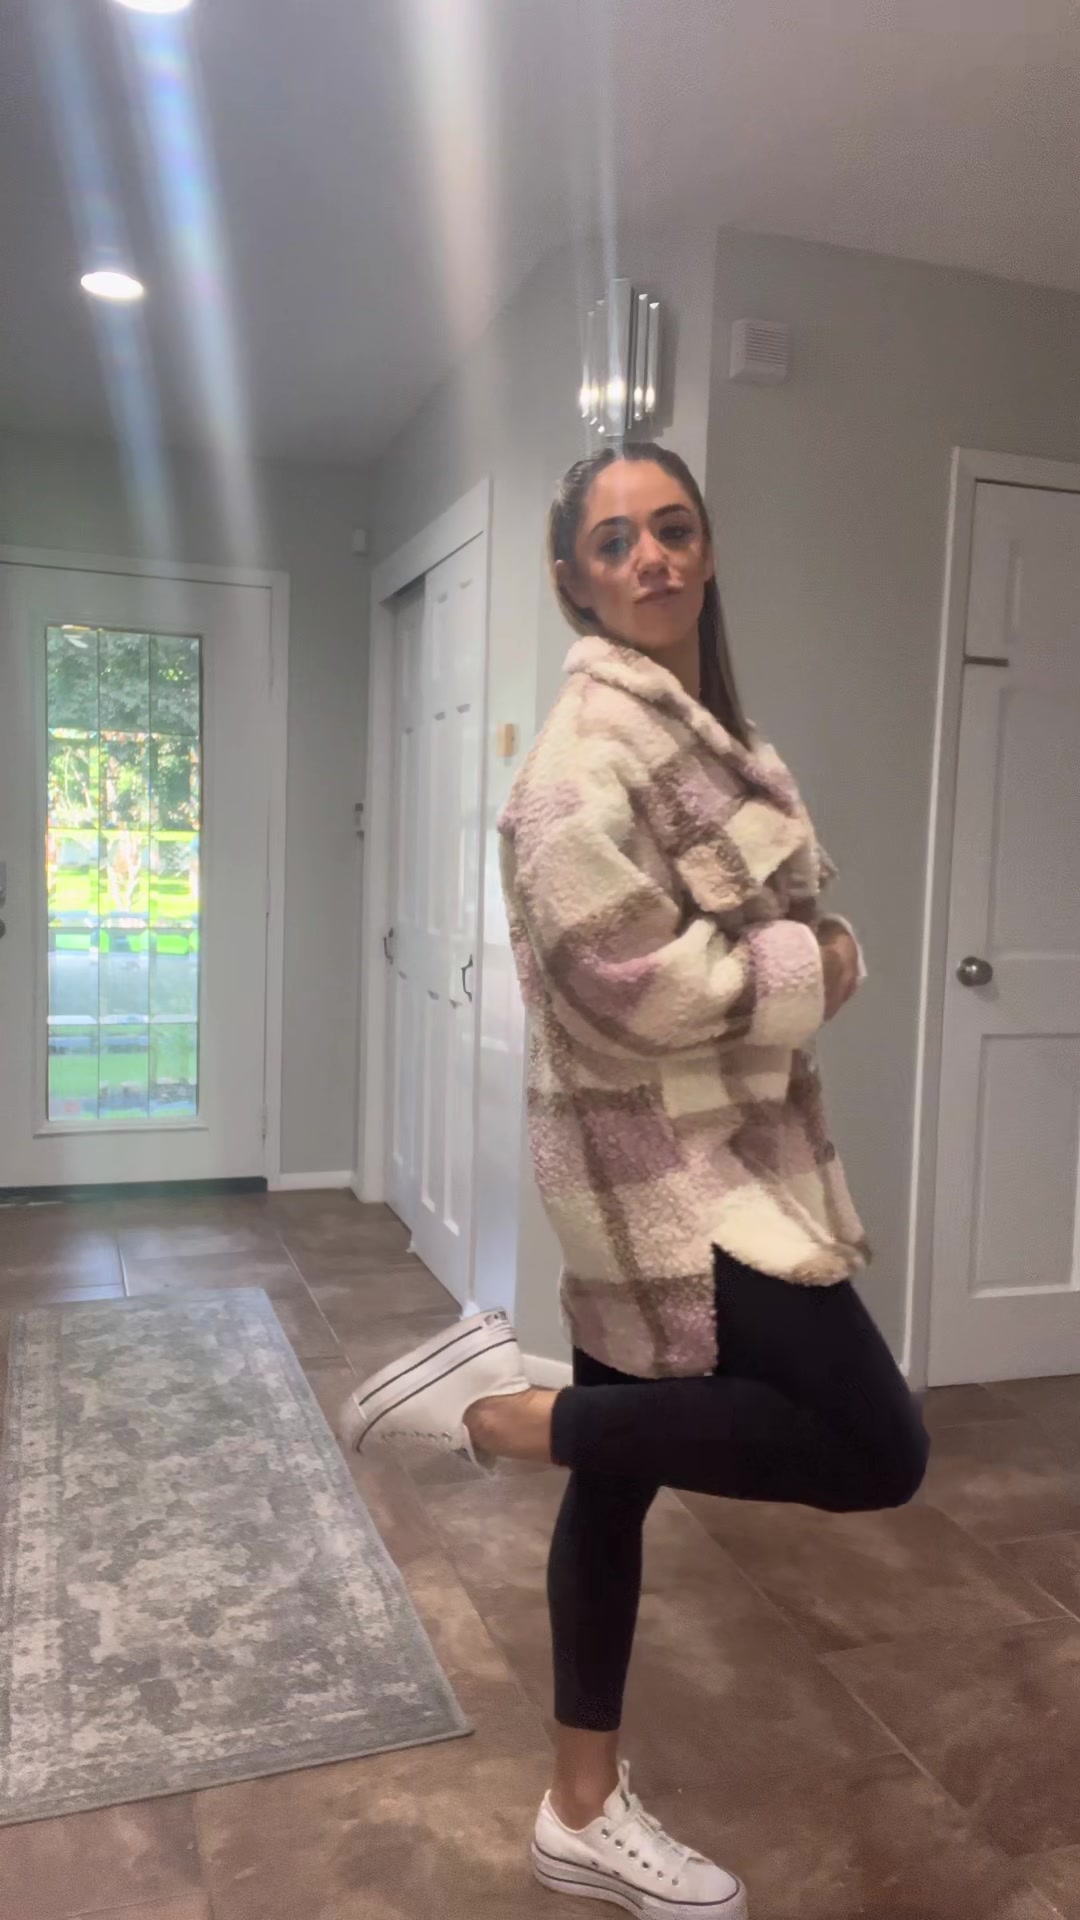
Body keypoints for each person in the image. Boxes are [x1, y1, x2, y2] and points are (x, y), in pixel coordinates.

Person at [340, 442, 929, 1920]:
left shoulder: (706, 733)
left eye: (673, 529)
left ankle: (579, 1811)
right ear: (573, 582)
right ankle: (500, 1414)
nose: (652, 557)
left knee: (615, 1485)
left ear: (707, 550)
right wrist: (820, 962)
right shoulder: (573, 768)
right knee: (876, 1446)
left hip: (701, 1152)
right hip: (672, 1178)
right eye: (616, 543)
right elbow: (627, 983)